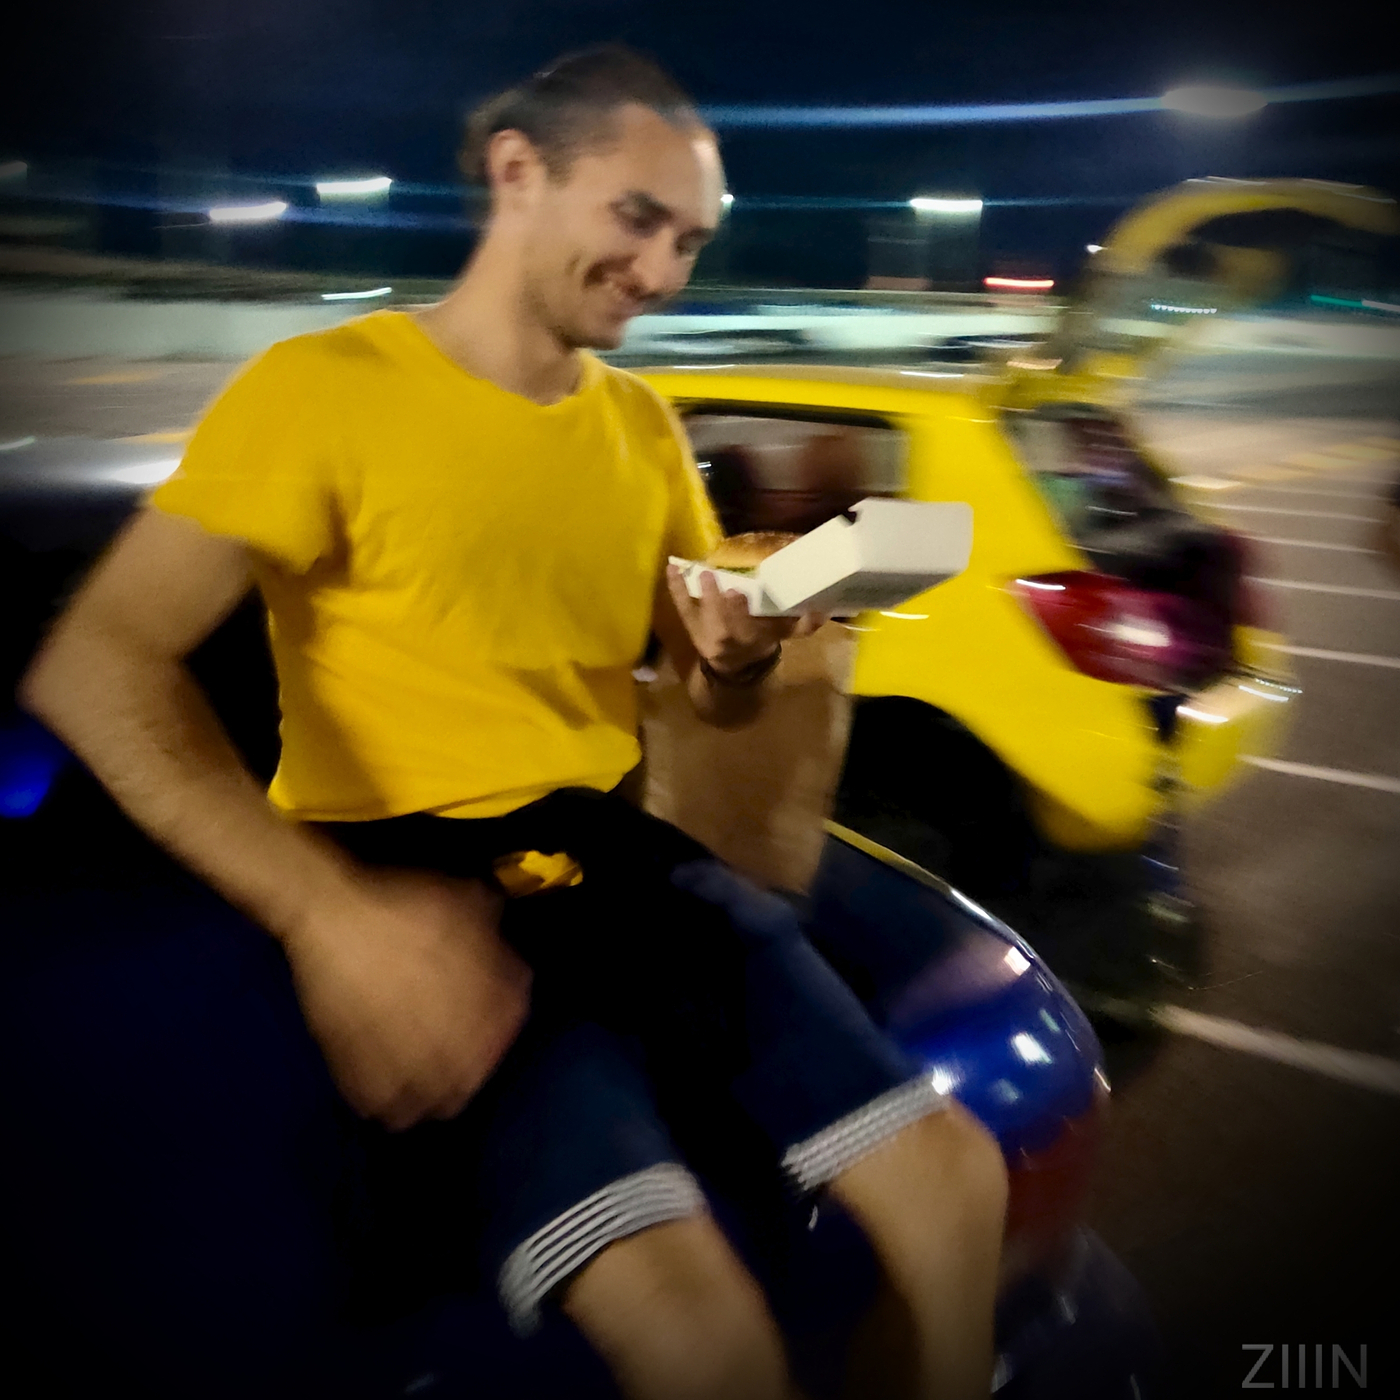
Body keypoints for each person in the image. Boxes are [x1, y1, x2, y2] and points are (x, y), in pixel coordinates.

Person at [20, 45, 1007, 1400]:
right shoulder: (324, 388)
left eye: (691, 243)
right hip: (425, 885)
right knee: (702, 1340)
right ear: (517, 171)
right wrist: (325, 919)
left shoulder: (643, 428)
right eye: (638, 219)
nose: (662, 273)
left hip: (625, 866)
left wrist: (739, 659)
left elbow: (698, 680)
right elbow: (97, 662)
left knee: (958, 1190)